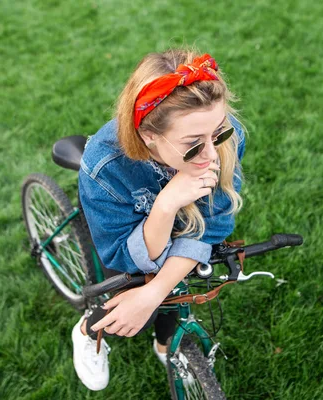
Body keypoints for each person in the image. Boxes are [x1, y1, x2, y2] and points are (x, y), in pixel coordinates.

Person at [71, 48, 246, 391]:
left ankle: (165, 345)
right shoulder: (104, 168)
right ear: (149, 136)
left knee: (168, 291)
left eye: (218, 133)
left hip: (174, 224)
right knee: (130, 289)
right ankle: (85, 331)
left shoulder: (224, 135)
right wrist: (165, 206)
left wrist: (156, 291)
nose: (212, 154)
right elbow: (122, 256)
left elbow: (213, 224)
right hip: (124, 230)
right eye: (194, 143)